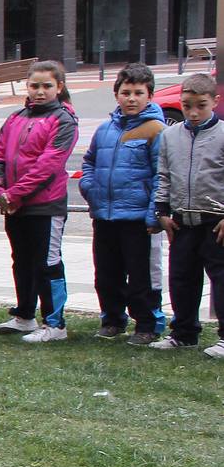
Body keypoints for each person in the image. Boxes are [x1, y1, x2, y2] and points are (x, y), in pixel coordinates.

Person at [0, 60, 77, 343]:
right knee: (22, 261)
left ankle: (55, 323)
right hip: (14, 206)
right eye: (34, 86)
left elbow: (48, 165)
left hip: (45, 206)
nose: (40, 92)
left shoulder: (63, 120)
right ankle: (24, 315)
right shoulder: (15, 118)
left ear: (59, 87)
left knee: (47, 263)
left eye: (47, 86)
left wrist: (13, 194)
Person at [79, 63, 168, 344]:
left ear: (149, 96)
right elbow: (89, 162)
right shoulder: (105, 130)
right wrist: (89, 188)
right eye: (126, 92)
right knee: (106, 273)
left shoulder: (156, 130)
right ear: (116, 94)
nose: (131, 98)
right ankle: (112, 319)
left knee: (141, 276)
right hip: (104, 215)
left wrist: (154, 213)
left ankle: (146, 324)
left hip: (137, 218)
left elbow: (161, 175)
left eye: (138, 93)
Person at [149, 72, 224, 357]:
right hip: (182, 220)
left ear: (214, 102)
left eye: (200, 105)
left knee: (221, 280)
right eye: (187, 105)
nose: (193, 112)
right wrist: (162, 210)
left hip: (214, 221)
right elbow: (164, 175)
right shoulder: (170, 136)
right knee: (181, 279)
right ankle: (184, 333)